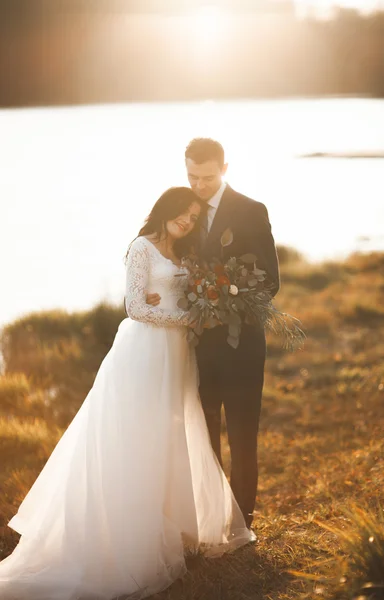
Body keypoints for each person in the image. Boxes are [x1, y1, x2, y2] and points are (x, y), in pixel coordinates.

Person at [0, 187, 253, 600]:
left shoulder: (185, 253)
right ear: (165, 210)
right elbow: (136, 307)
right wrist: (188, 316)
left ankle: (174, 527)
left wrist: (202, 307)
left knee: (171, 436)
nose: (187, 221)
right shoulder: (142, 247)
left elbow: (179, 293)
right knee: (138, 437)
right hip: (145, 352)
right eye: (182, 213)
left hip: (177, 354)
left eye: (193, 216)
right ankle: (129, 541)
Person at [147, 140, 280, 528]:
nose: (199, 185)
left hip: (242, 348)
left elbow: (270, 280)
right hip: (197, 349)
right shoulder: (182, 213)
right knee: (203, 440)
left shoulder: (252, 211)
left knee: (242, 439)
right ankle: (211, 521)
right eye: (192, 176)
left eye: (207, 177)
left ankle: (242, 524)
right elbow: (163, 260)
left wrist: (225, 297)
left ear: (225, 169)